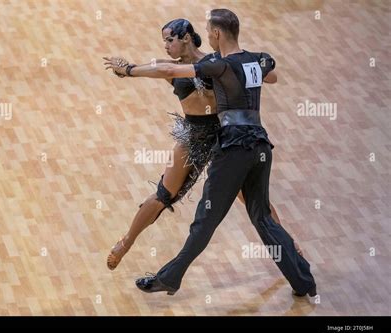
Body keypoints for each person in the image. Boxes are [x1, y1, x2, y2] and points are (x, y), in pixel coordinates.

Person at [105, 9, 316, 297]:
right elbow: (160, 68)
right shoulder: (221, 63)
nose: (165, 46)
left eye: (169, 40)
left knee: (243, 210)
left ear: (189, 38)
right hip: (197, 137)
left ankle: (290, 248)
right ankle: (126, 242)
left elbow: (265, 75)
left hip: (226, 140)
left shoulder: (217, 64)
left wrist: (128, 70)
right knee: (164, 195)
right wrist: (130, 69)